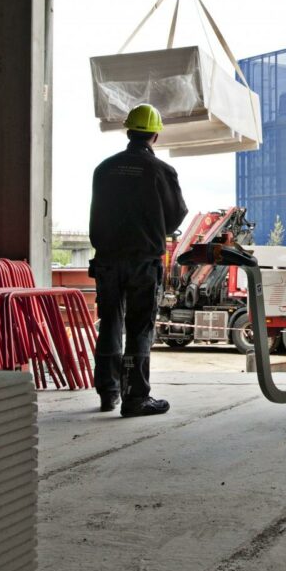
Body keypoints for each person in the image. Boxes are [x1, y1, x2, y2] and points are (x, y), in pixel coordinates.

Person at [89, 103, 187, 417]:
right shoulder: (161, 171)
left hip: (107, 260)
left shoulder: (104, 168)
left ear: (128, 130)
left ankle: (108, 392)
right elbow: (176, 215)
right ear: (155, 135)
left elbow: (98, 212)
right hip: (143, 261)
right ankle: (135, 397)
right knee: (139, 328)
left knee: (110, 324)